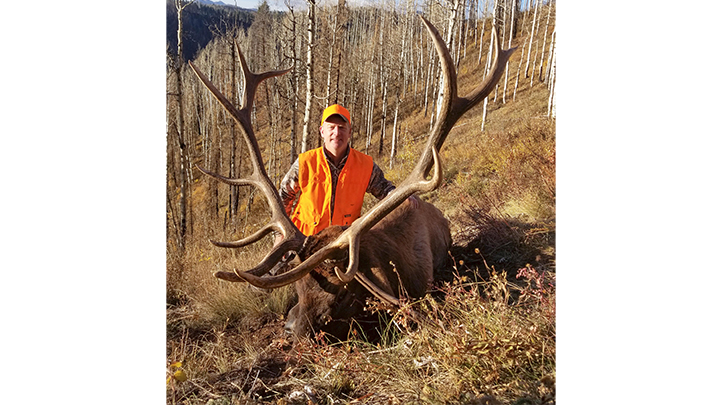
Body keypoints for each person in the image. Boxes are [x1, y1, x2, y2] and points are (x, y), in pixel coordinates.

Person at [276, 104, 416, 241]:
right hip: (306, 243)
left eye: (342, 128)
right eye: (331, 127)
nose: (336, 133)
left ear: (349, 132)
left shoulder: (364, 165)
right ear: (322, 131)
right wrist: (280, 236)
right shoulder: (305, 163)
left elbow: (385, 189)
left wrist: (403, 197)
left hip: (343, 245)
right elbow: (283, 198)